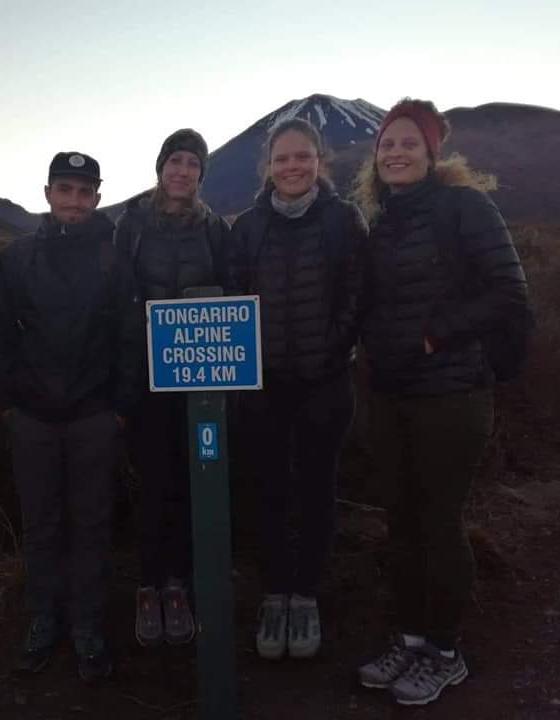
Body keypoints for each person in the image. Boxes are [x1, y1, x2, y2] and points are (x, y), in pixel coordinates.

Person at [352, 99, 529, 705]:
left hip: (452, 395)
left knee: (438, 522)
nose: (396, 153)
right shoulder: (381, 220)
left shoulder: (465, 207)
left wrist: (436, 334)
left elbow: (507, 292)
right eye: (387, 145)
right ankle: (409, 638)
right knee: (399, 521)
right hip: (391, 395)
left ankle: (445, 651)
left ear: (432, 153)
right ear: (376, 157)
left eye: (409, 143)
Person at [0, 152, 141, 680]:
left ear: (96, 197)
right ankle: (44, 620)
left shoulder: (113, 258)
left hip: (94, 416)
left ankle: (88, 627)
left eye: (84, 191)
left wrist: (119, 408)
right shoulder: (19, 256)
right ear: (48, 193)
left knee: (93, 525)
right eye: (65, 189)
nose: (74, 201)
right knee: (42, 526)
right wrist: (7, 401)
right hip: (33, 418)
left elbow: (129, 335)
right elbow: (0, 333)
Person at [229, 118, 366, 661]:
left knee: (315, 489)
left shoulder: (342, 219)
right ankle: (274, 593)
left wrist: (330, 351)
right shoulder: (247, 226)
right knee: (266, 490)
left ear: (319, 161)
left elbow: (358, 295)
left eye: (302, 157)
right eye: (282, 158)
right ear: (267, 166)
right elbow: (236, 297)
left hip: (324, 384)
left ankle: (305, 595)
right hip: (263, 388)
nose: (292, 166)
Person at [114, 129, 233, 648]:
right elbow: (117, 302)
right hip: (145, 384)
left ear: (201, 174)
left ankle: (179, 585)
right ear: (160, 167)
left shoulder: (214, 229)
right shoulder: (132, 224)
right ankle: (149, 585)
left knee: (193, 483)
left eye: (192, 163)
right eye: (175, 161)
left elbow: (231, 295)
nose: (182, 171)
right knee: (153, 484)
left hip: (200, 382)